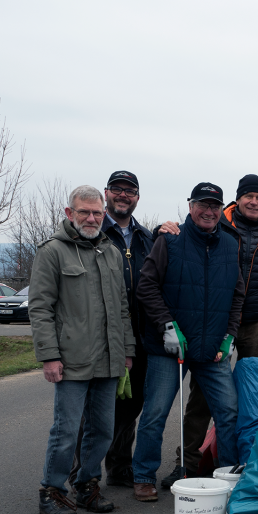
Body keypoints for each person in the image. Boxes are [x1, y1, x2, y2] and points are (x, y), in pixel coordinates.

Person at [159, 174, 258, 483]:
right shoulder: (218, 222)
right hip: (215, 323)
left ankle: (243, 464)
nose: (254, 202)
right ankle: (189, 463)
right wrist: (161, 229)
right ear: (238, 198)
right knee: (203, 398)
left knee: (254, 395)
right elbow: (184, 237)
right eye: (249, 196)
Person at [131, 182, 244, 502]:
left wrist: (230, 336)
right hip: (170, 348)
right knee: (155, 412)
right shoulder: (170, 239)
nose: (208, 211)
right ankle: (143, 475)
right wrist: (167, 326)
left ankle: (230, 476)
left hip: (212, 350)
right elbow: (147, 287)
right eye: (202, 204)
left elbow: (237, 296)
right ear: (190, 206)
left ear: (222, 210)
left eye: (214, 206)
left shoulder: (228, 245)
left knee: (229, 412)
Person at [31, 185, 134, 514]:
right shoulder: (52, 252)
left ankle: (86, 484)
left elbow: (121, 308)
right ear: (68, 213)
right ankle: (52, 490)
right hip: (71, 360)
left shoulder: (112, 253)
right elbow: (41, 308)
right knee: (67, 429)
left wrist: (126, 351)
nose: (91, 218)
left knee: (103, 429)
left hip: (108, 360)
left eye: (96, 212)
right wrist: (49, 356)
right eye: (84, 212)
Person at [99, 171, 153, 487]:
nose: (123, 194)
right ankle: (83, 474)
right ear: (107, 193)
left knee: (131, 404)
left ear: (137, 197)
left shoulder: (146, 237)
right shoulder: (94, 232)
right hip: (104, 337)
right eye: (117, 189)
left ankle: (119, 467)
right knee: (99, 409)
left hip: (141, 337)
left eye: (129, 190)